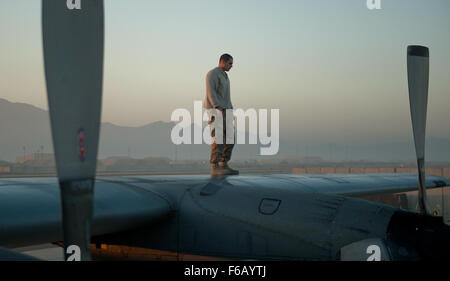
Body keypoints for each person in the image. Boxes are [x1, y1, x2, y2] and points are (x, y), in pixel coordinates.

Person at [204, 54, 239, 175]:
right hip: (216, 109)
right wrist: (217, 107)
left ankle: (224, 164)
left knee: (230, 138)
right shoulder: (212, 74)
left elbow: (226, 96)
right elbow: (210, 91)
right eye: (230, 63)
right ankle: (215, 165)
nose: (231, 66)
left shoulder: (225, 75)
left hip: (226, 109)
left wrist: (230, 110)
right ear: (222, 62)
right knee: (218, 137)